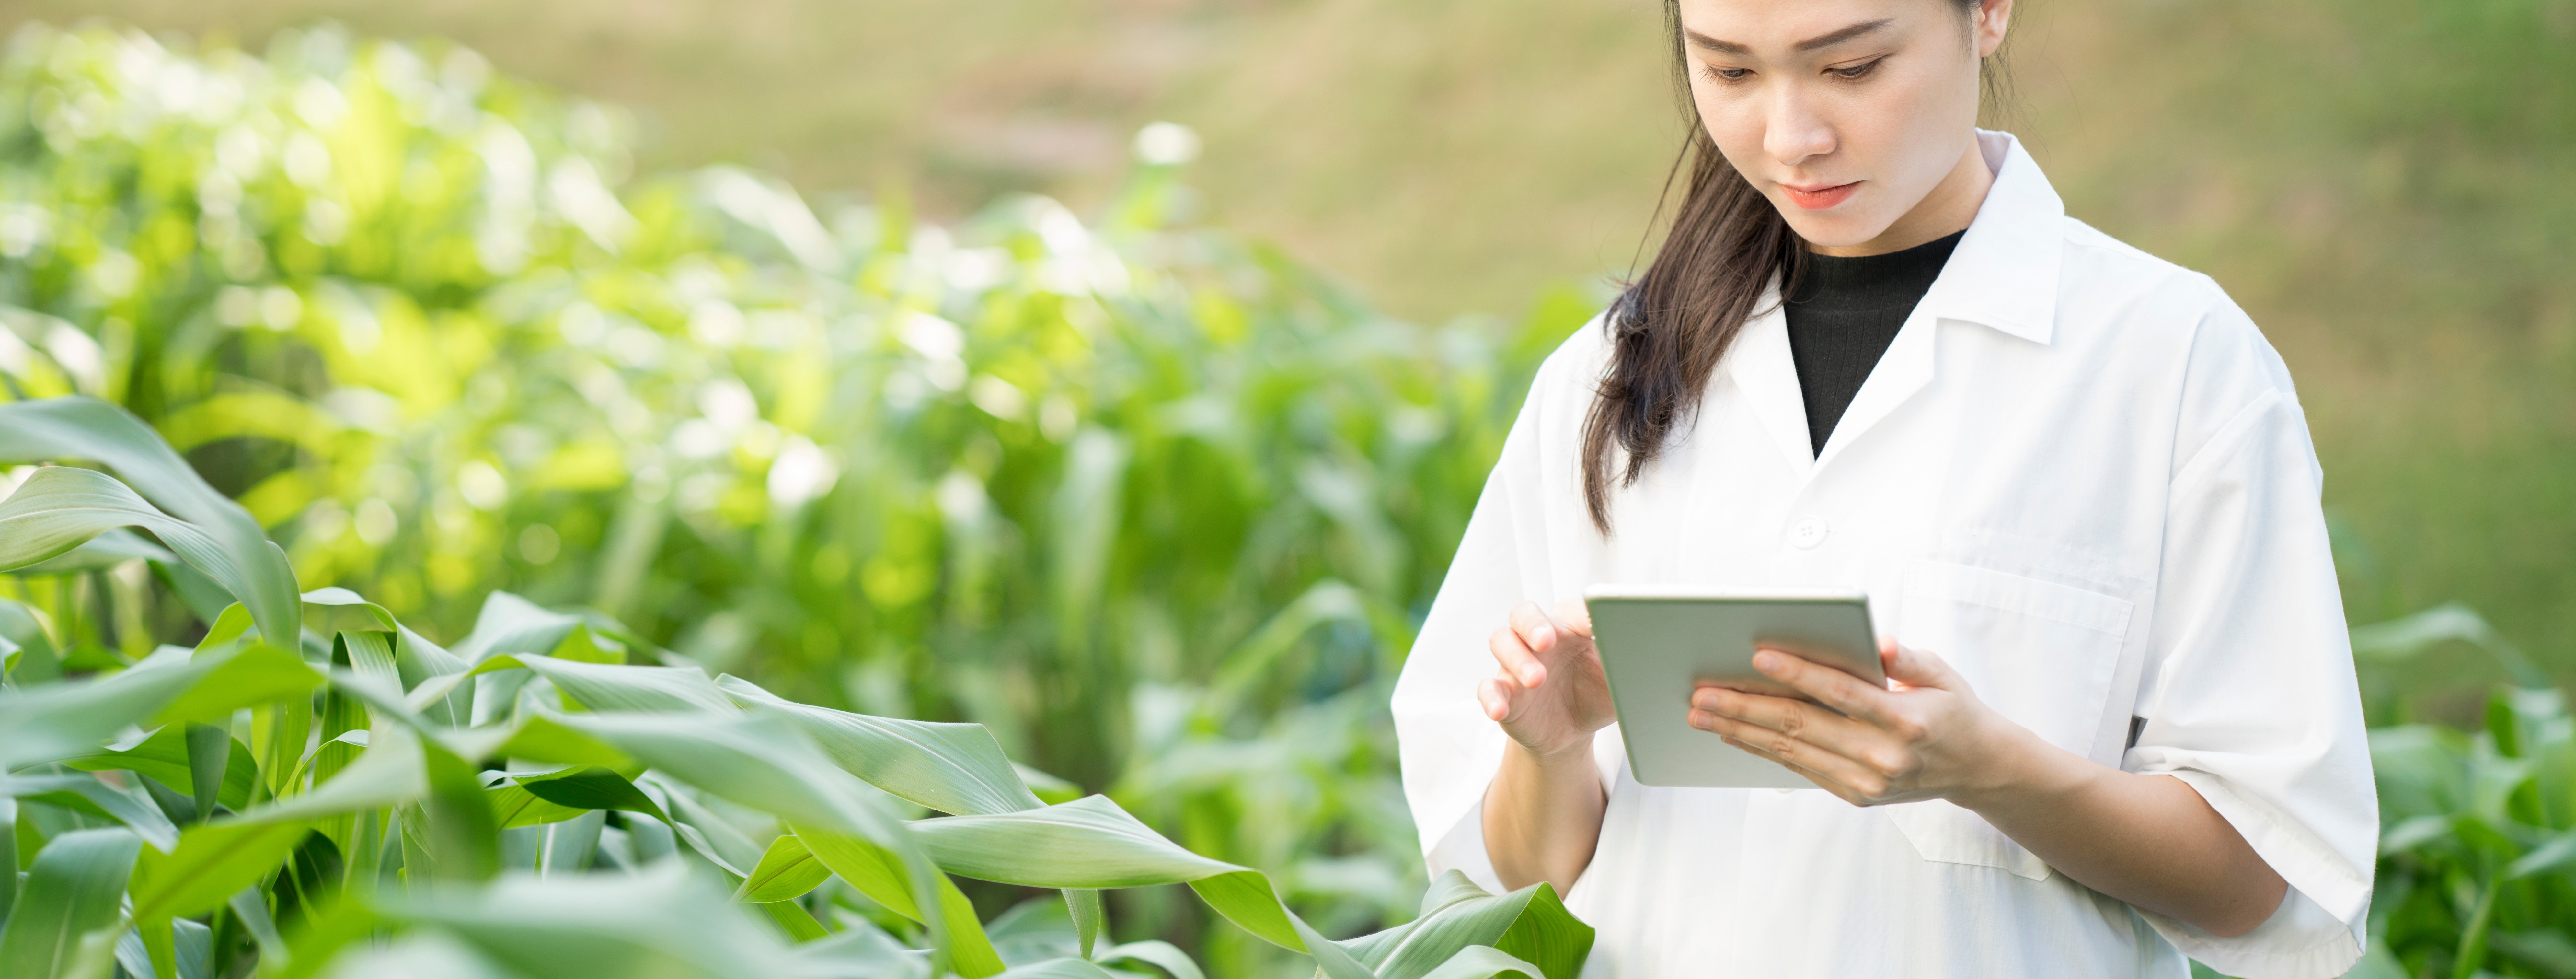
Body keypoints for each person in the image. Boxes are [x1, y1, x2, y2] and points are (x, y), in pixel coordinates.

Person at [1387, 0, 2378, 976]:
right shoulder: (1604, 374)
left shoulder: (2172, 364)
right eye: (1730, 71)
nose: (1792, 137)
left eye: (1851, 68)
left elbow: (2261, 877)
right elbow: (1524, 886)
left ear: (1988, 13)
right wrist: (1551, 750)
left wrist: (1990, 772)